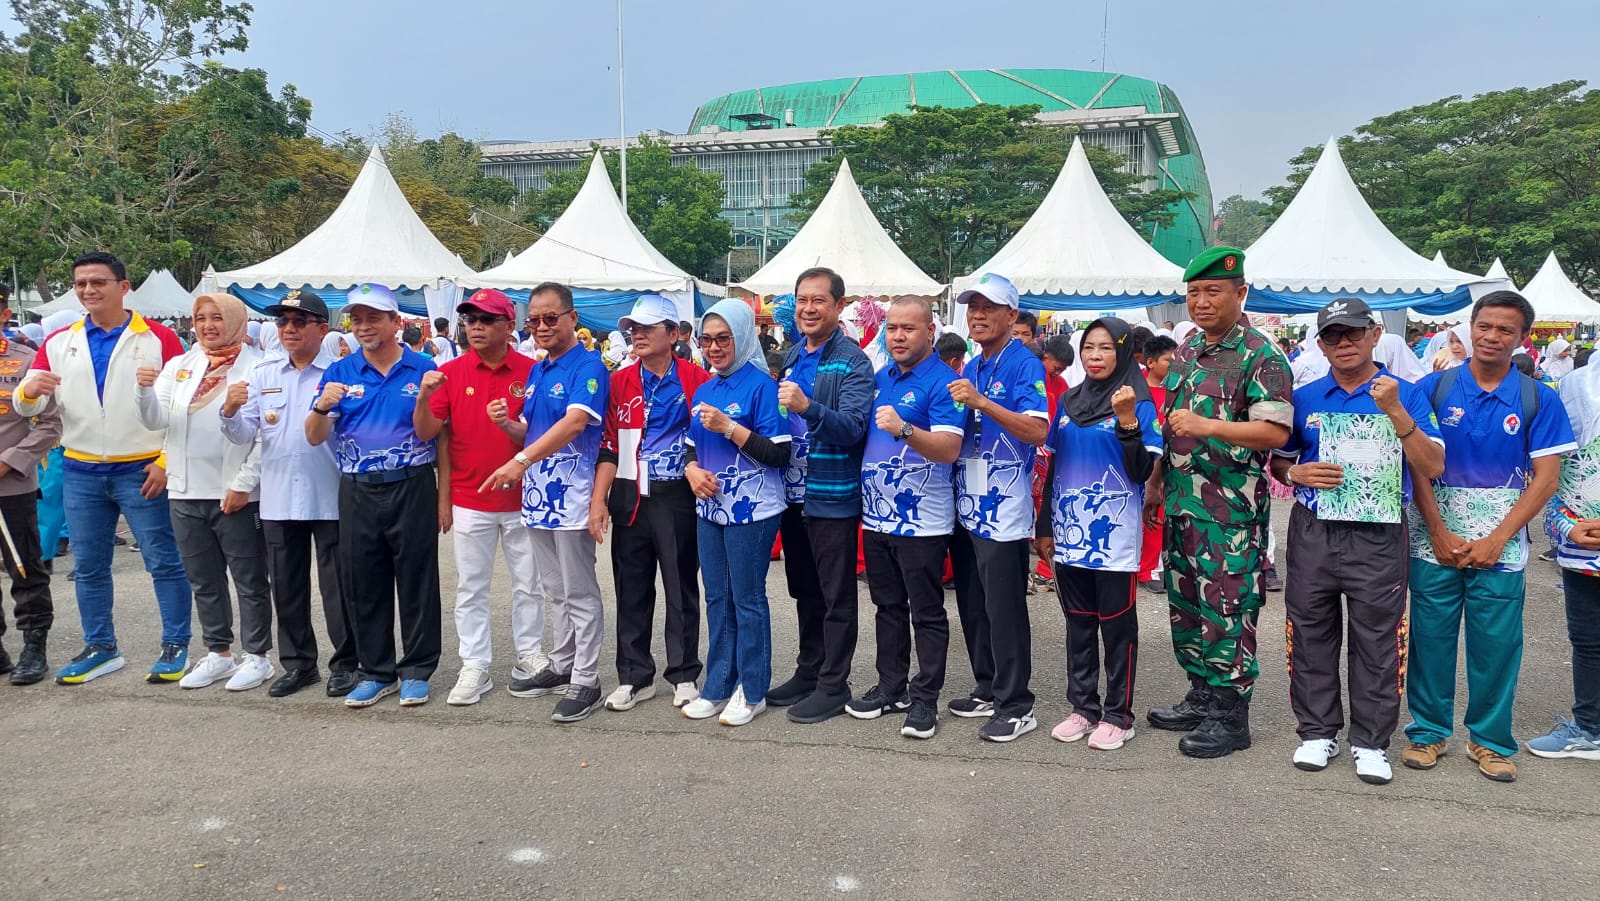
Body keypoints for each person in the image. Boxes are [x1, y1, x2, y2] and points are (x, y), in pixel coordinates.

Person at [1271, 298, 1446, 784]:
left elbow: (1432, 465)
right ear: (1320, 343)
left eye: (1353, 332)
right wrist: (1296, 473)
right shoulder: (1305, 396)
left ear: (1374, 335)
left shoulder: (1406, 394)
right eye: (1332, 335)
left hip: (1379, 531)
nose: (1344, 342)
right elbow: (1280, 461)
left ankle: (1370, 741)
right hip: (1315, 528)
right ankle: (1317, 731)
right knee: (1309, 629)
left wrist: (1394, 411)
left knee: (1378, 638)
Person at [1402, 291, 1574, 782]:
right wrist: (1437, 530)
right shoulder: (1432, 388)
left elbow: (1547, 478)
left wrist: (1499, 537)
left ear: (1522, 338)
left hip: (1503, 542)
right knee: (1430, 640)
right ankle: (1428, 733)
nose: (1492, 337)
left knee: (1496, 646)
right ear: (1469, 328)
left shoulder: (1538, 397)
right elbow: (1417, 463)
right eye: (1484, 326)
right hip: (1434, 538)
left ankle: (1491, 741)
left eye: (1505, 330)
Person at [1144, 247, 1293, 759]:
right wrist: (1156, 483)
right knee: (1186, 606)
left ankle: (1231, 716)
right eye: (1193, 293)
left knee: (1227, 610)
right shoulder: (1187, 349)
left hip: (1229, 515)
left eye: (1213, 291)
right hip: (1181, 505)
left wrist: (1209, 426)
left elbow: (1274, 431)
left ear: (1240, 293)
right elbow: (1172, 427)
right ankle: (1202, 695)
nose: (1201, 302)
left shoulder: (1261, 355)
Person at [16, 252, 191, 685]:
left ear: (123, 287)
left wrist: (165, 461)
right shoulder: (59, 341)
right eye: (81, 284)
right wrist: (29, 391)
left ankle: (176, 643)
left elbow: (183, 407)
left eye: (98, 282)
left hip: (142, 468)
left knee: (163, 561)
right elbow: (29, 405)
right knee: (90, 566)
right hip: (81, 469)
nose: (88, 290)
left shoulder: (159, 338)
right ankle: (101, 646)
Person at [306, 284, 442, 709]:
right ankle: (376, 671)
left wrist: (424, 396)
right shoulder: (340, 372)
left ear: (395, 322)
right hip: (358, 487)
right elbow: (314, 437)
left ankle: (417, 669)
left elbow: (429, 433)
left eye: (374, 318)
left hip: (412, 482)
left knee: (417, 579)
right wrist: (321, 407)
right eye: (357, 319)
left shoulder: (424, 367)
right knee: (363, 581)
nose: (363, 326)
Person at [481, 282, 610, 723]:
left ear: (572, 318)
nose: (540, 326)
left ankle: (587, 679)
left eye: (550, 318)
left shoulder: (588, 367)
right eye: (534, 320)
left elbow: (575, 424)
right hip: (539, 498)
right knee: (554, 589)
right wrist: (507, 426)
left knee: (579, 591)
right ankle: (562, 663)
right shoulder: (540, 370)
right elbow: (533, 434)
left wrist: (519, 460)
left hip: (572, 496)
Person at [412, 289, 546, 707]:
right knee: (471, 587)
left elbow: (544, 434)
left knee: (529, 584)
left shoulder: (533, 371)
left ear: (509, 326)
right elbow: (428, 434)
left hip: (525, 497)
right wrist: (423, 395)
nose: (477, 327)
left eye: (487, 319)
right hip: (470, 497)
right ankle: (474, 664)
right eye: (470, 320)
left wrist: (509, 426)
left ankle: (529, 654)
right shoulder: (449, 373)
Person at [220, 290, 356, 697]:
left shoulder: (342, 372)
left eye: (299, 321)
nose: (289, 329)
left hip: (329, 491)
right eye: (282, 322)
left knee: (339, 586)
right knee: (287, 585)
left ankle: (347, 663)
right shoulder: (264, 373)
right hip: (279, 495)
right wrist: (229, 411)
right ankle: (298, 664)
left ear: (322, 328)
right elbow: (245, 433)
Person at [1034, 318, 1161, 751]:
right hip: (1069, 532)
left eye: (1106, 348)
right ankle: (1083, 708)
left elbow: (1141, 471)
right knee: (1079, 623)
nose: (1095, 356)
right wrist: (1045, 526)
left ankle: (1118, 715)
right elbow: (1053, 465)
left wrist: (1127, 421)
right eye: (1089, 346)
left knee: (1117, 627)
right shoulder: (1069, 401)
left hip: (1114, 538)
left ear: (1122, 353)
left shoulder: (1138, 403)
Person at [136, 293, 271, 692]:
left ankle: (258, 656)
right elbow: (156, 420)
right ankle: (219, 653)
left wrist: (243, 484)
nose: (208, 326)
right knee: (204, 579)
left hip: (234, 493)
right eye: (200, 318)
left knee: (249, 579)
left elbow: (266, 436)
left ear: (236, 320)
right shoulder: (181, 366)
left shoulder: (260, 368)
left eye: (217, 317)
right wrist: (143, 390)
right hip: (184, 491)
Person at [849, 296, 964, 739]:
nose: (897, 336)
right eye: (892, 328)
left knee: (926, 612)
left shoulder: (944, 382)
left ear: (930, 332)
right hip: (877, 518)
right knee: (887, 607)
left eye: (908, 328)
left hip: (922, 522)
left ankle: (925, 698)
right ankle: (891, 687)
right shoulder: (882, 378)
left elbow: (949, 449)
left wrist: (904, 429)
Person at [589, 294, 710, 712]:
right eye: (633, 329)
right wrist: (599, 500)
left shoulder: (695, 379)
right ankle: (634, 676)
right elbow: (608, 443)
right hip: (630, 494)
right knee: (631, 588)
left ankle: (684, 673)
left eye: (647, 328)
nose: (636, 335)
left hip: (676, 495)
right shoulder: (619, 381)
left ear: (673, 334)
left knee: (681, 587)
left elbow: (707, 439)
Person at [765, 267, 874, 725]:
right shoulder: (792, 356)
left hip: (831, 494)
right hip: (793, 494)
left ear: (839, 305)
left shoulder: (853, 362)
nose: (808, 309)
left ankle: (834, 684)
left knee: (835, 595)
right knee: (805, 589)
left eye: (819, 301)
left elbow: (854, 428)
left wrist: (808, 407)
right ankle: (809, 669)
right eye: (802, 300)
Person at [947, 273, 1051, 742]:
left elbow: (1037, 430)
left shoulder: (1024, 363)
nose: (978, 315)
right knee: (973, 603)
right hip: (967, 501)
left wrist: (982, 402)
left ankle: (1016, 704)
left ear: (1011, 315)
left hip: (1004, 506)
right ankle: (987, 687)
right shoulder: (973, 364)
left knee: (1004, 608)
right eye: (973, 307)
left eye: (988, 307)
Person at [679, 299, 791, 726]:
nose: (714, 347)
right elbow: (690, 447)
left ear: (742, 337)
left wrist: (730, 427)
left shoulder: (763, 387)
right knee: (717, 597)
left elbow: (780, 454)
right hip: (710, 508)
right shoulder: (705, 390)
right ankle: (719, 683)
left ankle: (753, 688)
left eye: (723, 338)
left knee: (747, 599)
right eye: (707, 339)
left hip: (754, 510)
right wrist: (691, 470)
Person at [1528, 357, 1600, 759]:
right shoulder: (1572, 389)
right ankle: (1590, 729)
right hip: (1583, 548)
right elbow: (1553, 477)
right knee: (1588, 641)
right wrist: (1568, 527)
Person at [0, 327, 61, 684]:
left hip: (11, 484)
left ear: (5, 314)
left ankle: (34, 647)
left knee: (24, 569)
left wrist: (8, 462)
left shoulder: (27, 361)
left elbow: (50, 425)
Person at [1136, 335, 1179, 593]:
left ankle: (1153, 566)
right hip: (1141, 461)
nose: (1174, 365)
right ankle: (1145, 567)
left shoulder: (1177, 391)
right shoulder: (1136, 389)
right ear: (1150, 362)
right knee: (1145, 514)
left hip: (1171, 462)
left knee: (1159, 515)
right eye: (1168, 361)